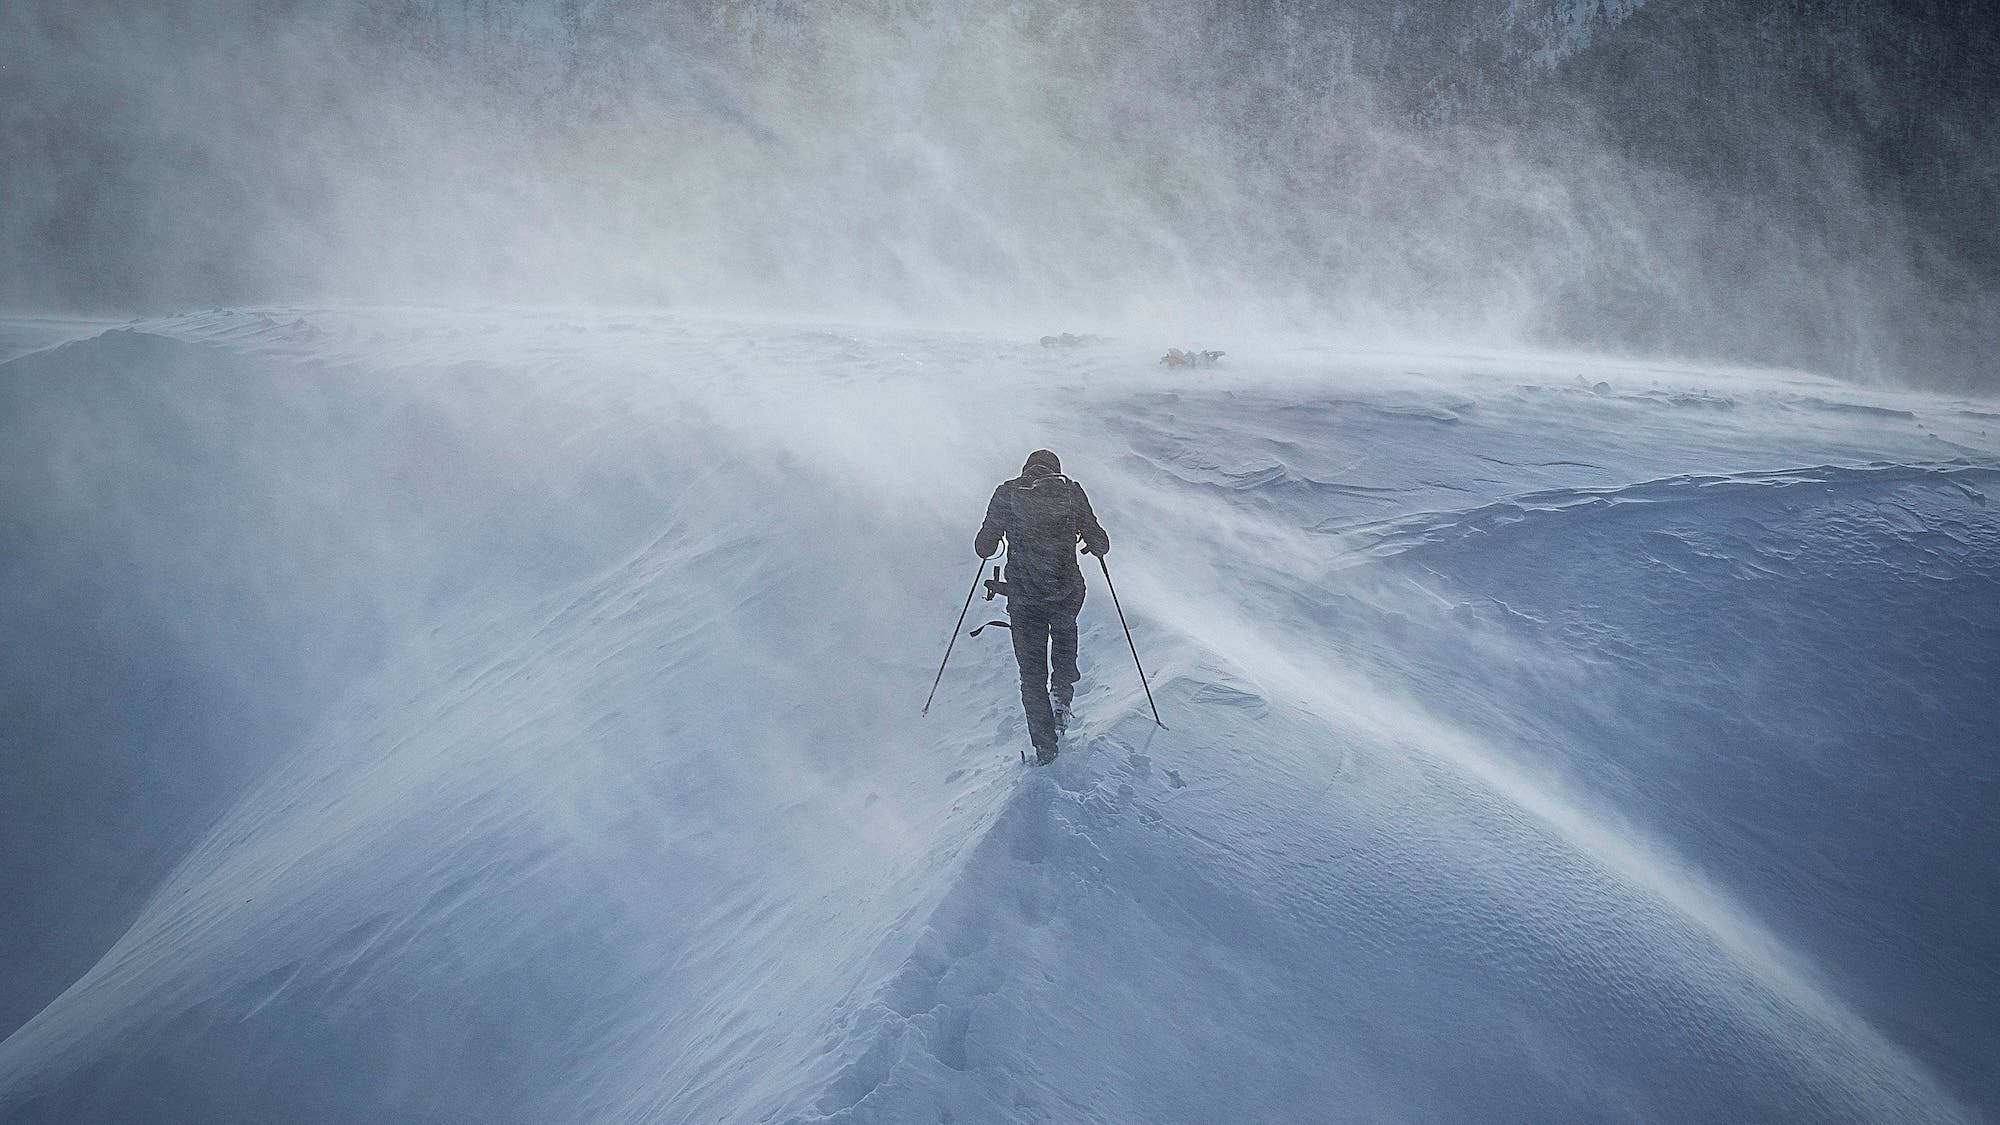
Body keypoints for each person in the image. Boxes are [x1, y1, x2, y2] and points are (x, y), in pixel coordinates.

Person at [975, 450, 1111, 764]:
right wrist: (1087, 540)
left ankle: (1045, 748)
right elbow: (1101, 543)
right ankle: (1062, 699)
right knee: (1064, 639)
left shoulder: (1007, 493)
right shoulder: (1071, 491)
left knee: (1031, 676)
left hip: (1024, 599)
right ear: (1056, 471)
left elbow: (984, 546)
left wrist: (999, 536)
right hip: (1066, 593)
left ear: (1026, 470)